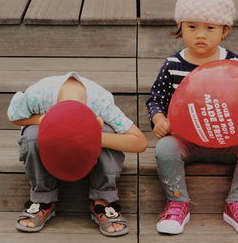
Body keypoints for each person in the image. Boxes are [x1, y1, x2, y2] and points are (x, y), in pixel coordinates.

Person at [146, 0, 238, 235]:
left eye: (210, 27)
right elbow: (156, 99)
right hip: (186, 140)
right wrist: (159, 119)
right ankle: (177, 202)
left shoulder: (234, 63)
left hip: (228, 139)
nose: (201, 34)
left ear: (224, 30)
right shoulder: (172, 64)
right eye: (192, 26)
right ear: (179, 27)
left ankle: (237, 203)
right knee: (165, 149)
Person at [8, 71, 147, 236]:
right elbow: (14, 117)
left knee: (109, 131)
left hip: (89, 148)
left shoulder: (100, 103)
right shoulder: (38, 95)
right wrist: (39, 121)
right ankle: (42, 198)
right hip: (49, 150)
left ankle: (103, 199)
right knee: (31, 135)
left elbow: (140, 142)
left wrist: (93, 137)